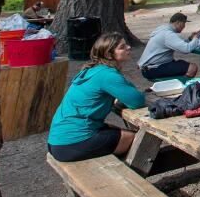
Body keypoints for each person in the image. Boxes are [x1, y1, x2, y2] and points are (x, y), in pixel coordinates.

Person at [47, 32, 146, 161]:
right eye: (122, 47)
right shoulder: (107, 75)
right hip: (71, 143)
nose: (128, 47)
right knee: (135, 139)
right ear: (108, 54)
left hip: (58, 140)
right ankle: (127, 177)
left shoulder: (92, 70)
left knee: (115, 130)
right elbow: (137, 101)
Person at [138, 12, 200, 80]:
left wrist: (190, 39)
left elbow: (179, 44)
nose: (184, 26)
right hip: (153, 69)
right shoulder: (168, 34)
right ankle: (180, 87)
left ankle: (172, 85)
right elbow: (186, 49)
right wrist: (196, 38)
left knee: (181, 64)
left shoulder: (163, 29)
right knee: (192, 68)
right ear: (178, 22)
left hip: (151, 67)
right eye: (184, 23)